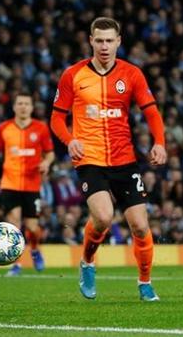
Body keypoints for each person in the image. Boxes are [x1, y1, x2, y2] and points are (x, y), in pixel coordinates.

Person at [50, 17, 167, 302]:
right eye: (99, 40)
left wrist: (160, 143)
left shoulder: (132, 74)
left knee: (140, 225)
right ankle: (88, 263)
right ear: (90, 40)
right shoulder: (73, 75)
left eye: (109, 40)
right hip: (90, 158)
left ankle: (145, 283)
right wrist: (70, 140)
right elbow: (56, 118)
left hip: (124, 159)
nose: (104, 46)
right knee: (102, 217)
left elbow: (151, 112)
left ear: (119, 41)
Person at [0, 93, 55, 276]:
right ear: (14, 107)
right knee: (14, 225)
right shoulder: (4, 128)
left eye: (27, 103)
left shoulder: (41, 128)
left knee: (32, 227)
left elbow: (50, 153)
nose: (23, 107)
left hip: (32, 185)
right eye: (20, 103)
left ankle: (35, 249)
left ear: (32, 107)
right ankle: (16, 264)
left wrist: (46, 163)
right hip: (10, 183)